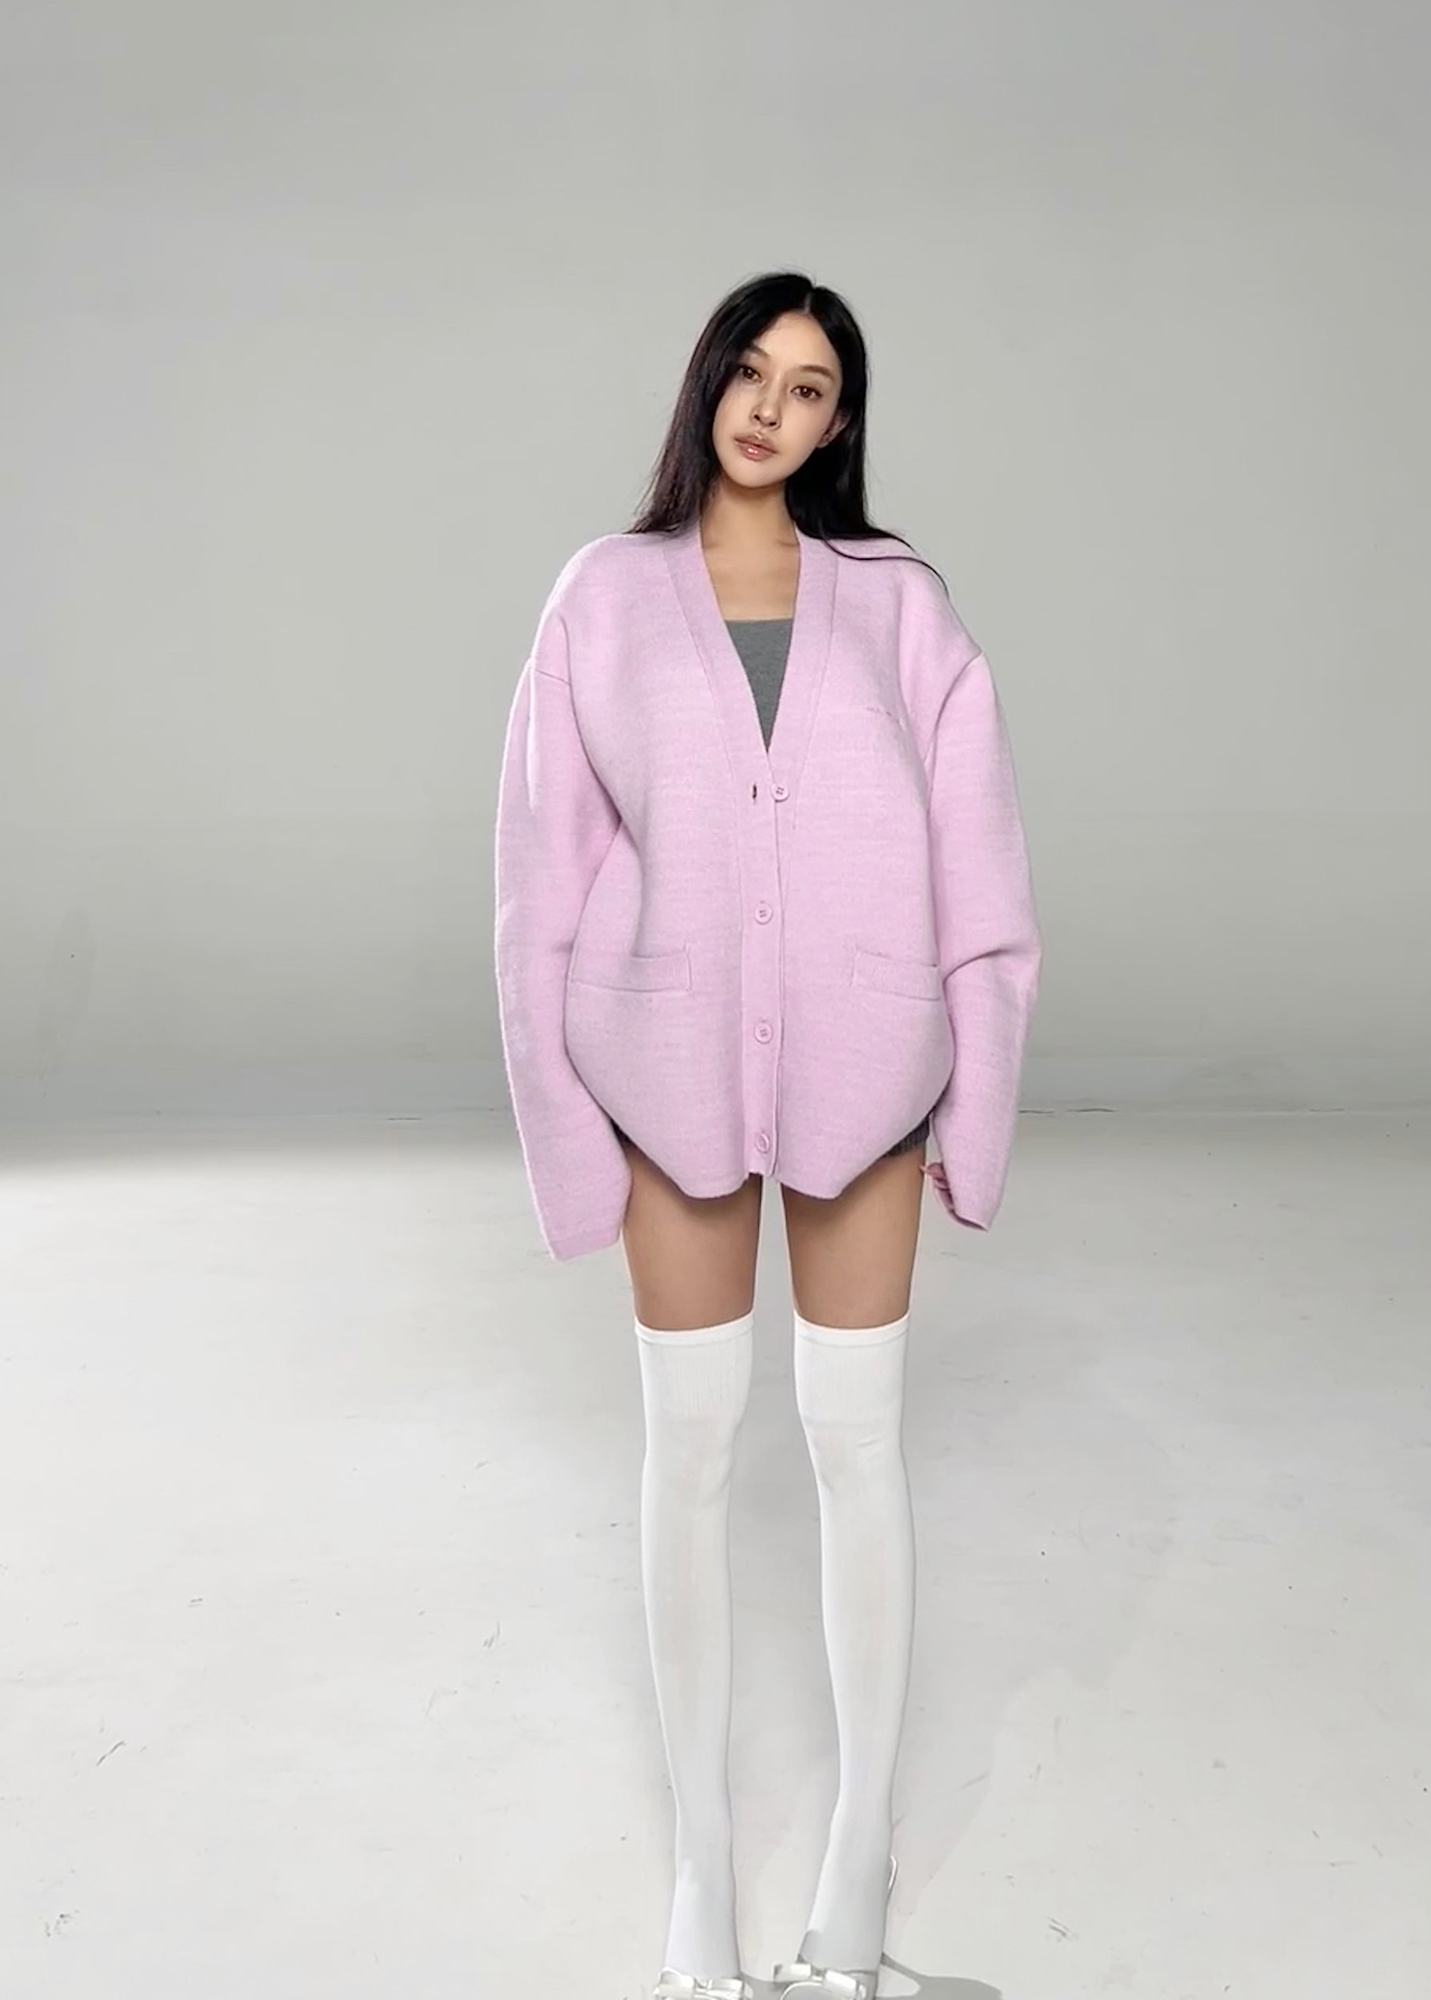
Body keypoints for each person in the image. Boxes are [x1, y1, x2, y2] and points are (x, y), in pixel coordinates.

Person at [493, 270, 1042, 2000]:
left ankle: (855, 1889)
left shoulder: (901, 606)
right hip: (662, 1078)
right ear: (706, 384)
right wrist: (567, 1143)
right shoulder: (602, 596)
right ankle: (700, 1886)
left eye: (809, 389)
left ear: (838, 422)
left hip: (869, 1072)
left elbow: (983, 874)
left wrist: (978, 1109)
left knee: (859, 1449)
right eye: (749, 372)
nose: (769, 410)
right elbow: (536, 888)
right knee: (690, 1453)